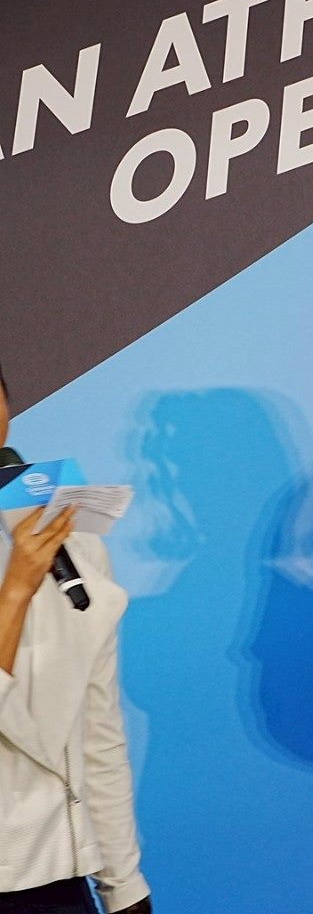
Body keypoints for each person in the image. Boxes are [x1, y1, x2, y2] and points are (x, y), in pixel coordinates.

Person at [0, 363, 153, 914]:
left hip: (54, 876)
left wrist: (123, 881)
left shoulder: (66, 541)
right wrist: (15, 592)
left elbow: (97, 729)